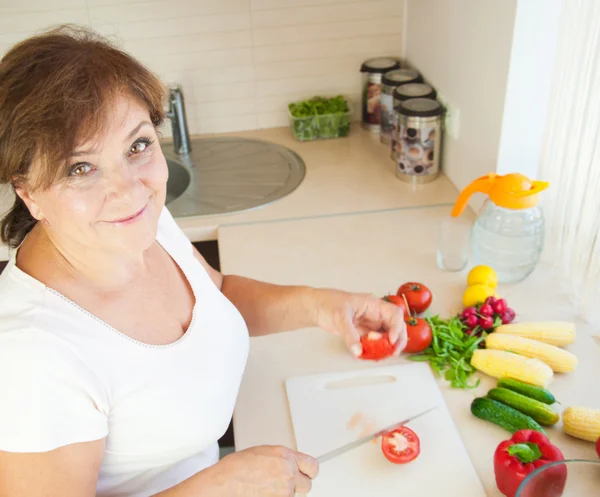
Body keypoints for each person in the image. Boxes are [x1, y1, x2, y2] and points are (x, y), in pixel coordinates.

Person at [0, 25, 407, 497]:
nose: (130, 188)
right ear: (29, 192)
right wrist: (219, 487)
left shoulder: (141, 223)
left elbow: (218, 295)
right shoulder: (32, 357)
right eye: (80, 168)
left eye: (137, 145)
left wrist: (323, 307)